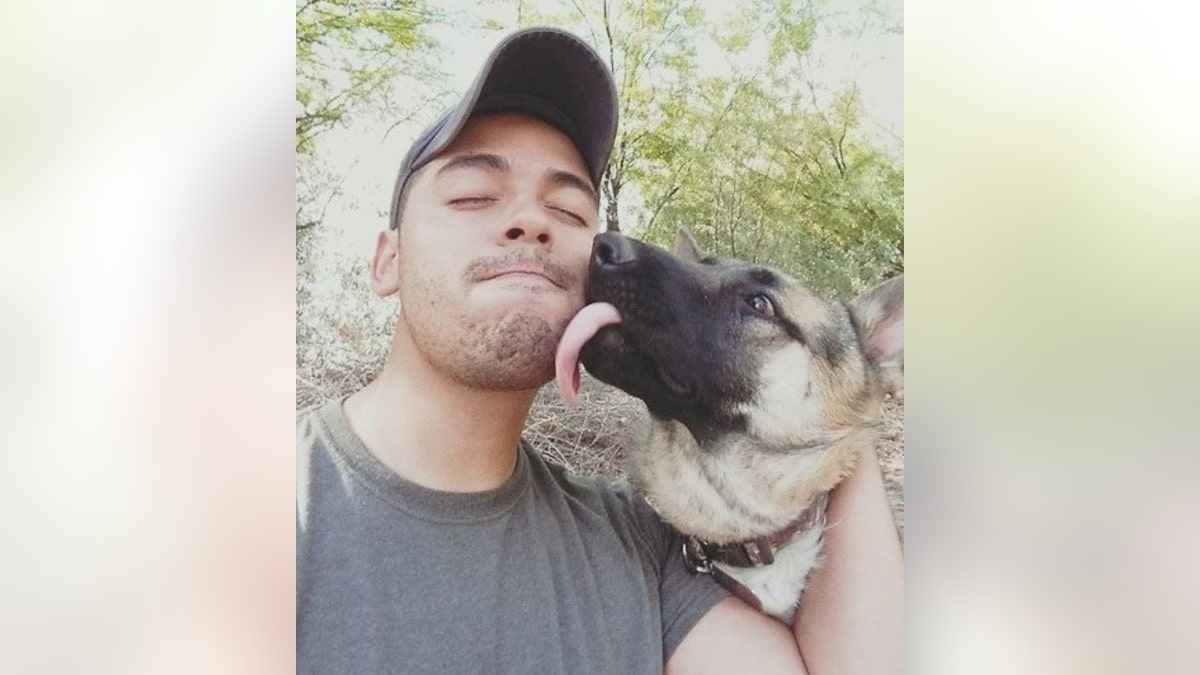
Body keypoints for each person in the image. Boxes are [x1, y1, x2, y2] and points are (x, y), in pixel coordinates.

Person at [296, 26, 902, 674]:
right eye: (473, 195)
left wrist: (849, 395)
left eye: (569, 210)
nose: (531, 221)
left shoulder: (645, 550)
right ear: (386, 260)